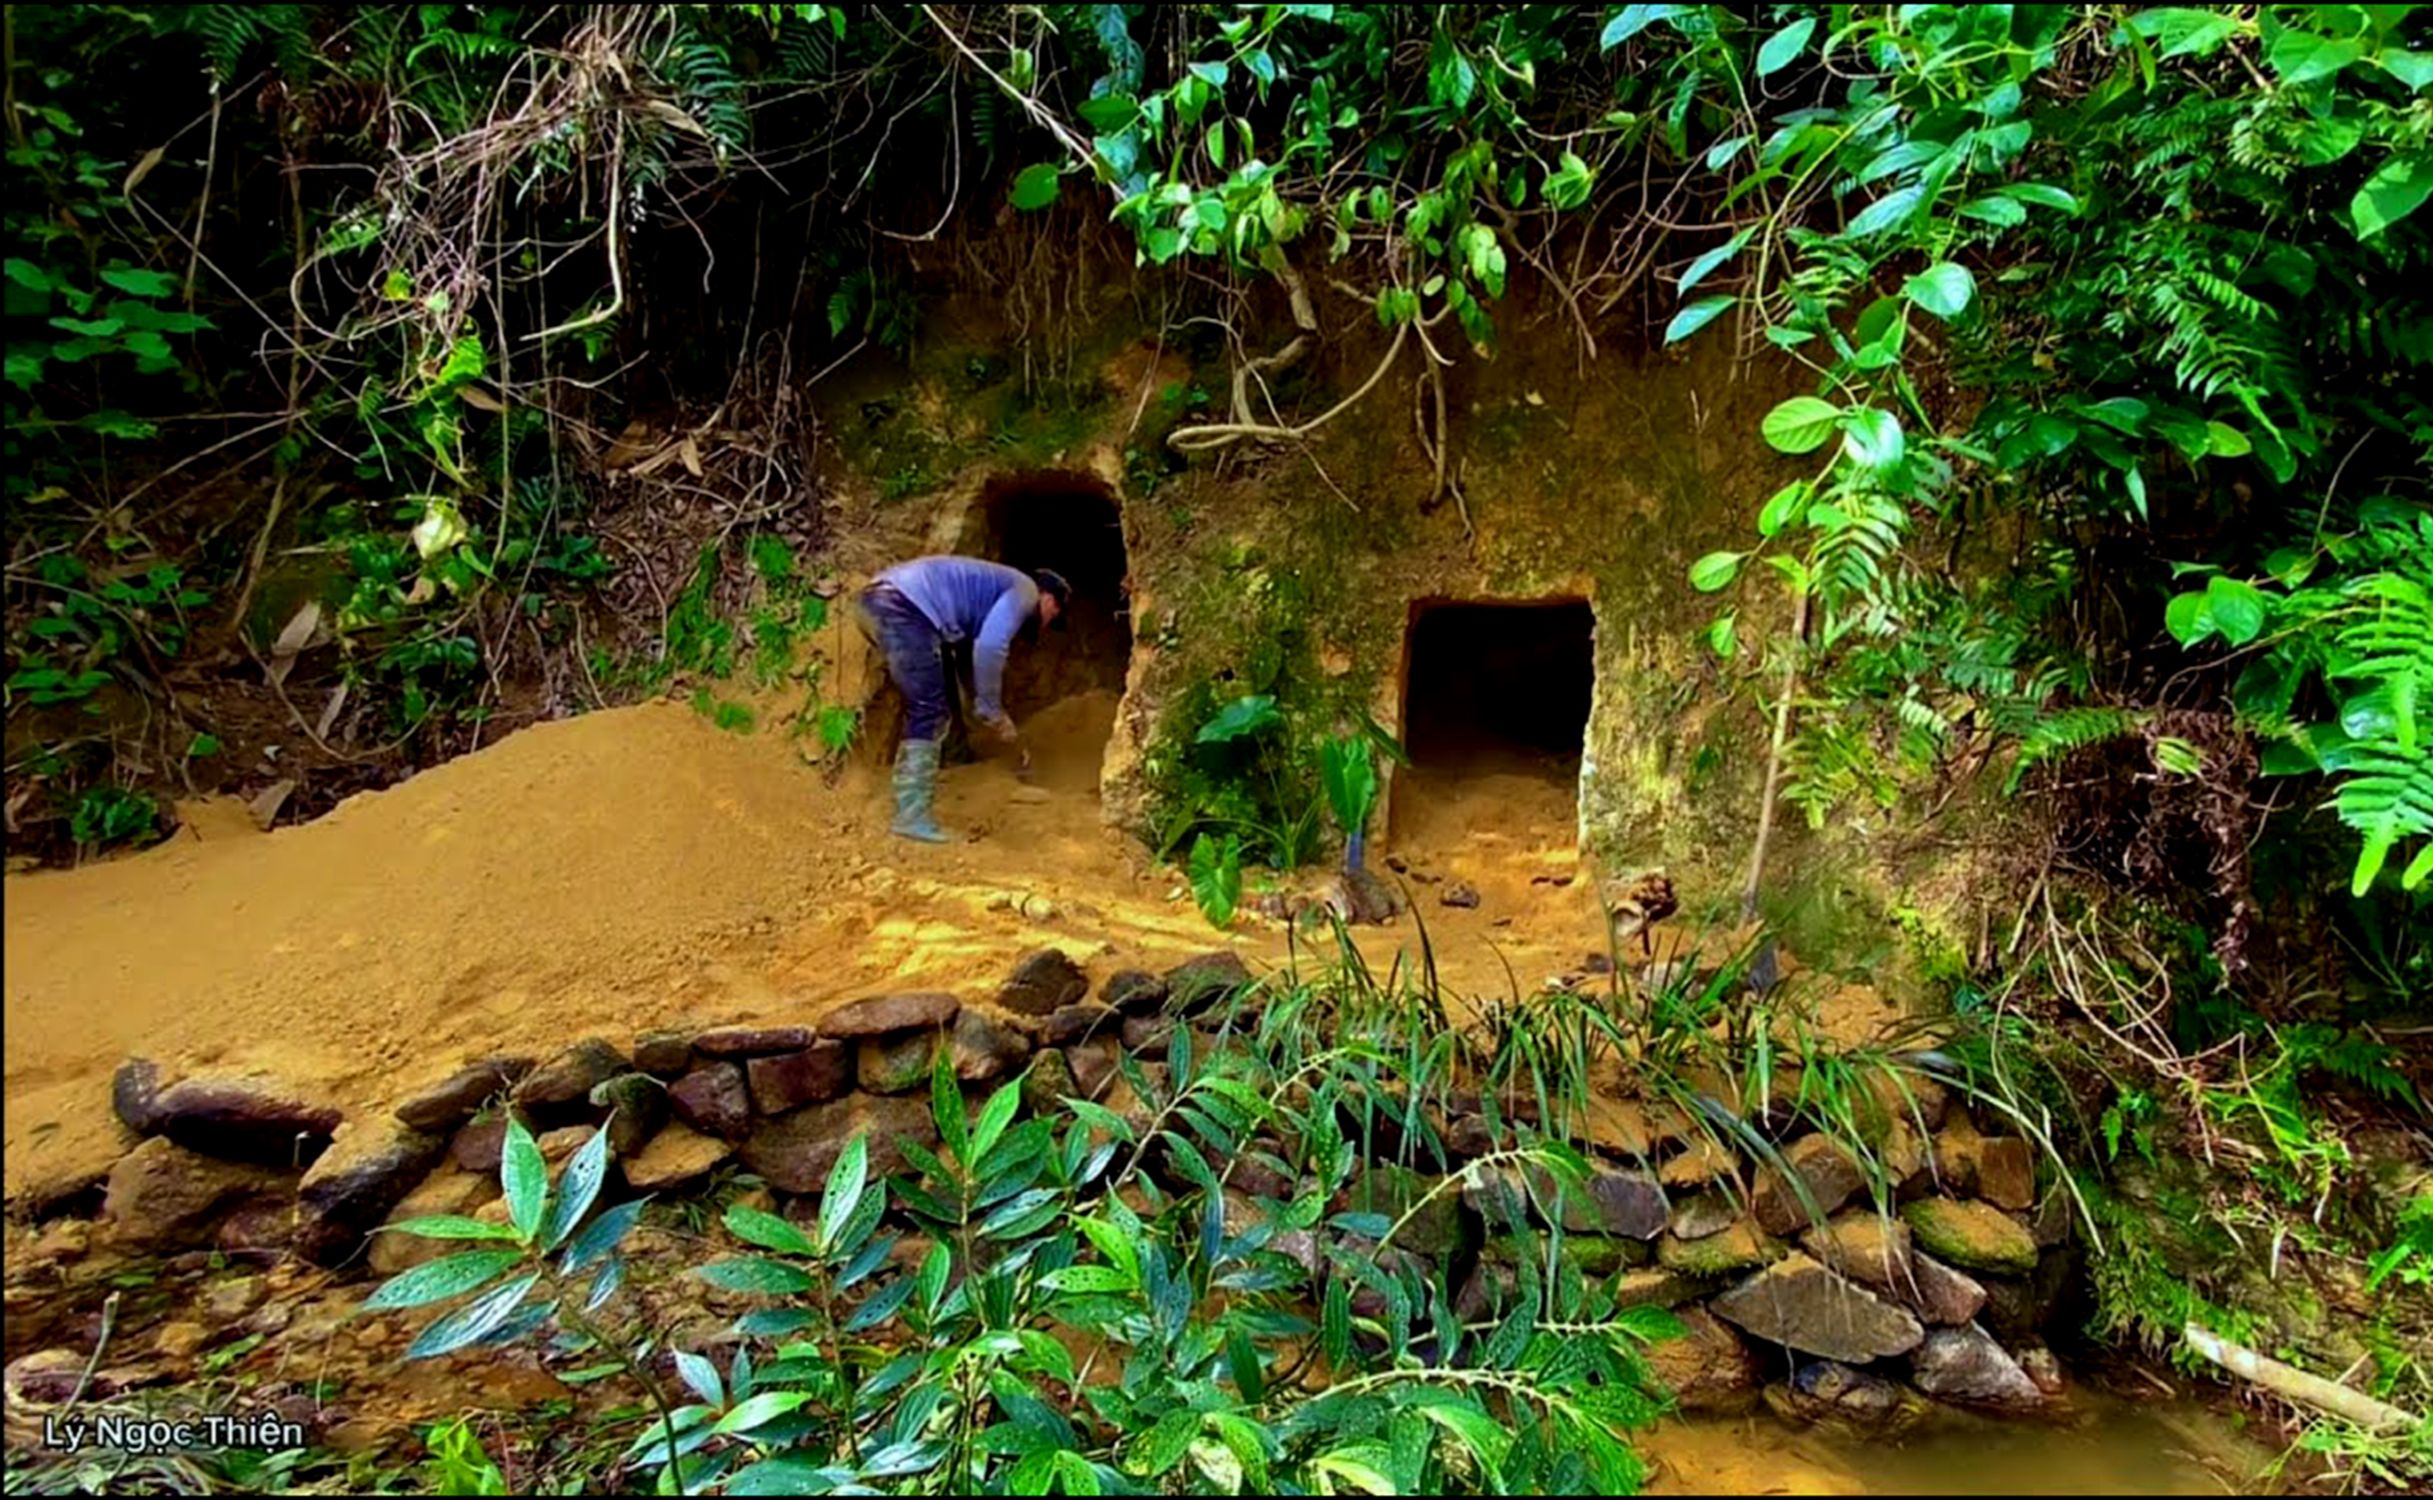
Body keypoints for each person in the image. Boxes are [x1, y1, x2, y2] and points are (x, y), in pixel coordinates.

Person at [854, 556, 1069, 843]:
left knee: (939, 685)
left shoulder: (987, 593)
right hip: (902, 609)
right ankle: (911, 816)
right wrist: (990, 707)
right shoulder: (1025, 590)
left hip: (875, 602)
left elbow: (968, 664)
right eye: (1055, 615)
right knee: (928, 708)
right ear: (1049, 599)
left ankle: (954, 758)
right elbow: (991, 647)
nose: (1046, 625)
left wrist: (988, 708)